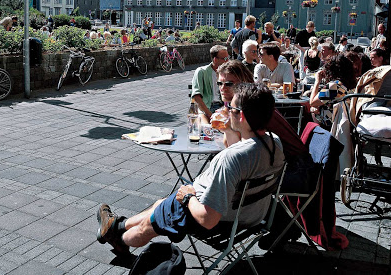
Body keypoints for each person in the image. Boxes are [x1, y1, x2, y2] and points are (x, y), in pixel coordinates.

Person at [96, 83, 285, 255]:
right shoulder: (274, 142)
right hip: (250, 214)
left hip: (218, 220)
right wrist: (228, 129)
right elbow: (244, 154)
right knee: (161, 204)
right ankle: (116, 225)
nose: (227, 110)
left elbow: (208, 219)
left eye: (230, 108)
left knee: (151, 223)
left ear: (241, 115)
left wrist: (187, 196)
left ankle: (119, 240)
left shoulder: (229, 159)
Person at [309, 54, 356, 130]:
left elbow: (312, 102)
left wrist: (317, 81)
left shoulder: (333, 86)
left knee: (312, 109)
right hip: (345, 122)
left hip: (329, 124)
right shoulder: (351, 84)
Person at [191, 45, 229, 124]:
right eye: (225, 59)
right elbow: (196, 97)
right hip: (207, 108)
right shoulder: (202, 71)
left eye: (228, 57)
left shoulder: (228, 72)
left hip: (224, 107)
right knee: (207, 129)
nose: (228, 61)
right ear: (215, 59)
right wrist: (210, 114)